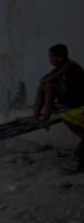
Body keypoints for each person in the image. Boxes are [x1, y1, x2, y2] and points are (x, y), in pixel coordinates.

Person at [31, 44, 84, 172]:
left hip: (76, 102)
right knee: (45, 86)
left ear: (60, 58)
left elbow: (48, 79)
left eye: (51, 57)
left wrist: (53, 82)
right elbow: (43, 79)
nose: (50, 60)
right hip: (70, 102)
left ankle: (46, 117)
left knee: (49, 86)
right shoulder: (61, 66)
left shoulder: (71, 66)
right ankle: (37, 115)